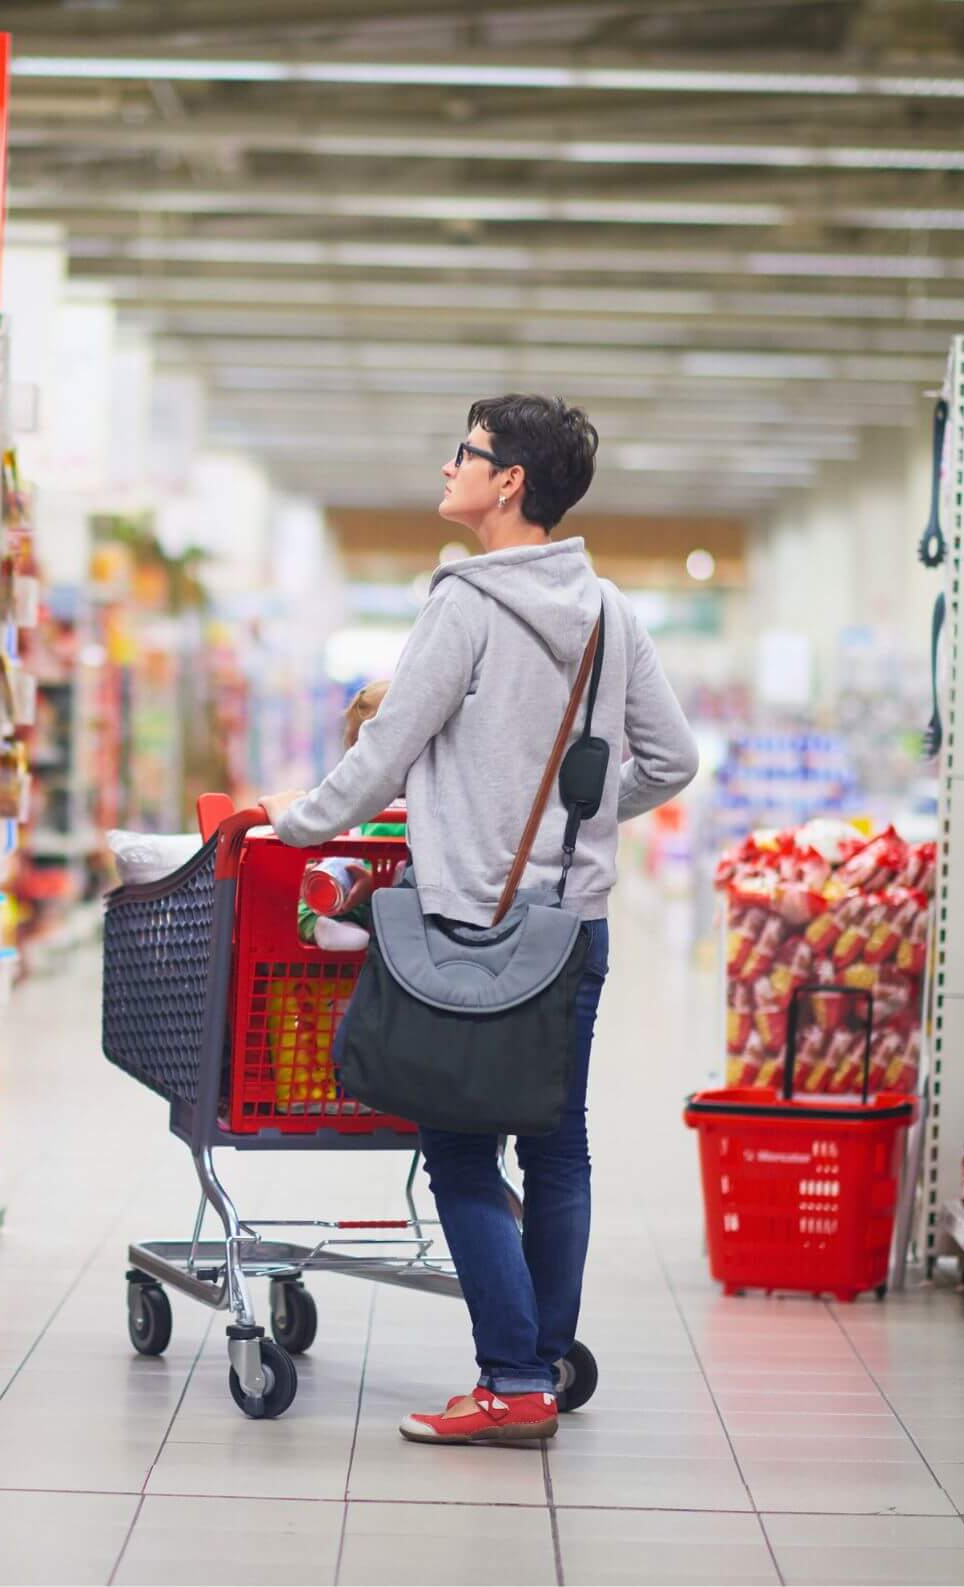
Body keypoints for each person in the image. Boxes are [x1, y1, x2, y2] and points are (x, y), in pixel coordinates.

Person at [258, 393, 698, 1447]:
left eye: (467, 452)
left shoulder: (463, 603)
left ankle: (510, 1382)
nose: (449, 465)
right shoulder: (608, 612)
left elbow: (385, 754)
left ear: (507, 484)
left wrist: (295, 823)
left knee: (459, 1155)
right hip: (570, 926)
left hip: (467, 922)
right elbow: (672, 761)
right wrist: (576, 823)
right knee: (557, 1148)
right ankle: (538, 1361)